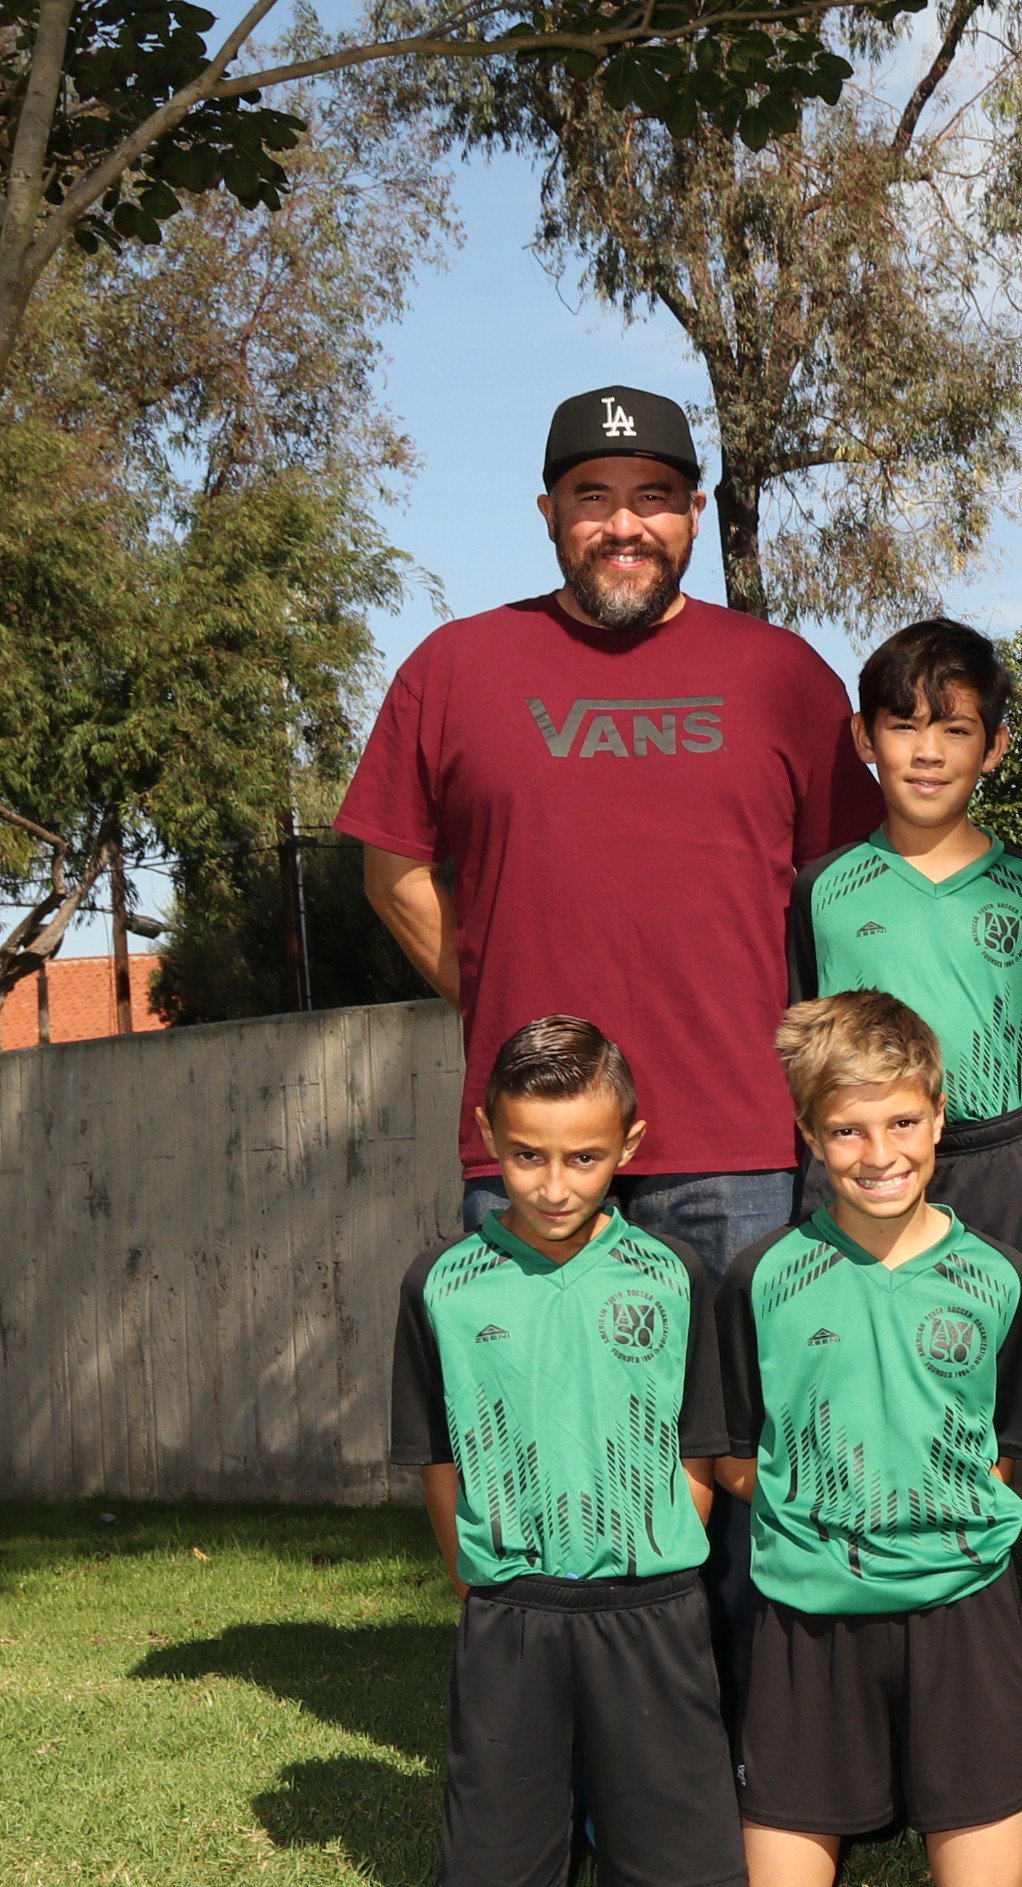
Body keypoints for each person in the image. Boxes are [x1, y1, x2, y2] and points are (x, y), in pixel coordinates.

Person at [342, 384, 885, 1284]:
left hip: (739, 1144)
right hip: (535, 1145)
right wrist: (503, 1002)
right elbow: (392, 873)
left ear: (695, 514)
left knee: (731, 1385)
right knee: (534, 1383)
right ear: (549, 514)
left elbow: (853, 893)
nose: (623, 526)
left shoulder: (781, 673)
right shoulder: (453, 669)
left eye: (653, 498)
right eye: (593, 497)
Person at [389, 1016, 750, 1887]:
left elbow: (698, 1446)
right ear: (487, 1135)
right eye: (527, 1156)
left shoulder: (673, 1275)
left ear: (629, 1145)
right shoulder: (441, 1286)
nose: (555, 1185)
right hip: (514, 1619)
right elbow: (436, 1455)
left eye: (584, 1157)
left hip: (652, 1614)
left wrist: (661, 1561)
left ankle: (649, 1832)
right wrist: (473, 1576)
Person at [710, 992, 1022, 1887]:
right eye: (847, 1130)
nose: (880, 1153)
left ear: (939, 1116)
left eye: (901, 1122)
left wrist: (924, 1511)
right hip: (811, 1615)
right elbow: (735, 1457)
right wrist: (832, 1511)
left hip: (960, 1609)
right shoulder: (759, 1278)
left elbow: (1006, 1451)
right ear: (809, 1136)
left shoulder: (1001, 1276)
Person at [791, 617, 1022, 1251]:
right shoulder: (822, 890)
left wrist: (1013, 1169)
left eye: (955, 729)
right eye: (904, 726)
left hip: (992, 1169)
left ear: (994, 747)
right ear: (865, 737)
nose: (928, 752)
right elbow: (804, 1051)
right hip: (860, 1167)